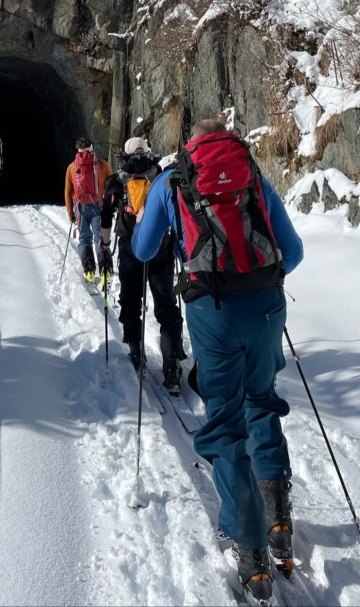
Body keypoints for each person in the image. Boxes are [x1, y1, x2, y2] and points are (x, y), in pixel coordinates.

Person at [132, 119, 304, 606]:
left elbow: (143, 248)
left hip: (214, 311)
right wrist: (259, 280)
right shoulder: (251, 173)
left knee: (226, 420)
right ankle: (278, 520)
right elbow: (293, 250)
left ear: (190, 144)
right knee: (263, 400)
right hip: (268, 305)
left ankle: (248, 546)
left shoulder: (174, 179)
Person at [101, 136, 185, 390]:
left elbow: (106, 214)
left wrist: (104, 245)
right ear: (148, 152)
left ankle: (136, 349)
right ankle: (171, 362)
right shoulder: (161, 176)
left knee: (131, 299)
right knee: (166, 304)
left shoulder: (117, 180)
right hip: (161, 247)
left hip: (130, 248)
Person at [65, 137, 112, 282]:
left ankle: (89, 269)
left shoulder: (72, 167)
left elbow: (67, 191)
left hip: (80, 207)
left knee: (85, 239)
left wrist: (70, 213)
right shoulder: (102, 165)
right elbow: (111, 185)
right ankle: (106, 270)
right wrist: (110, 206)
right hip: (98, 205)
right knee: (100, 239)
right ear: (92, 148)